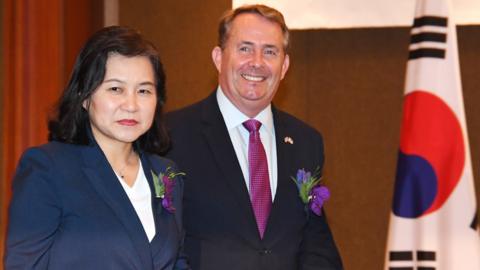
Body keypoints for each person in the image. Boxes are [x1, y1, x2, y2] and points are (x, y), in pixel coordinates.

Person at [166, 4, 343, 270]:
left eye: (269, 51)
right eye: (245, 48)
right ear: (218, 57)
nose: (257, 62)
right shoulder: (171, 136)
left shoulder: (306, 142)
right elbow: (161, 242)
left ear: (284, 66)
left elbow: (315, 241)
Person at [5, 26, 189, 270]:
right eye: (115, 89)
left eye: (144, 91)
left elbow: (177, 262)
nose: (131, 105)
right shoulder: (48, 168)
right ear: (84, 96)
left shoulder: (166, 173)